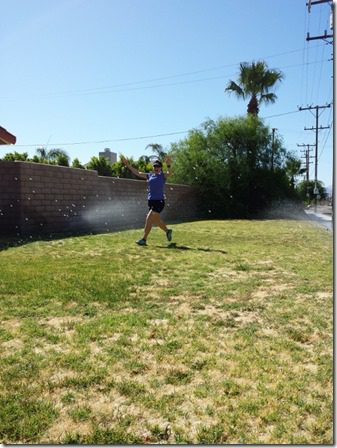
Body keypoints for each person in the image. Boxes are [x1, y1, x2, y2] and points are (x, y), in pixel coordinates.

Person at [122, 156, 173, 246]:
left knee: (148, 218)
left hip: (159, 201)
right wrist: (128, 165)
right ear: (153, 168)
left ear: (160, 168)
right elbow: (138, 173)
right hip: (151, 201)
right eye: (155, 166)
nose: (156, 168)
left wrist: (169, 165)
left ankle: (144, 239)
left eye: (158, 167)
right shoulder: (149, 175)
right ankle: (167, 231)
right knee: (156, 221)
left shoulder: (162, 176)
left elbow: (169, 173)